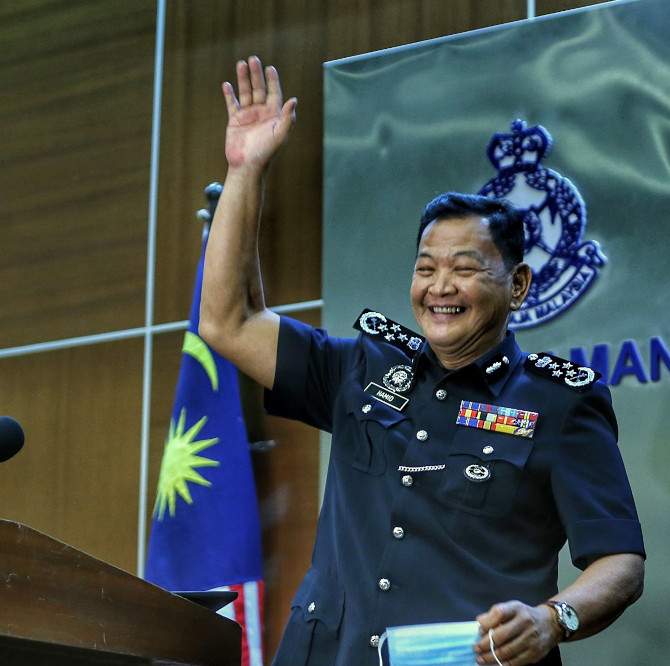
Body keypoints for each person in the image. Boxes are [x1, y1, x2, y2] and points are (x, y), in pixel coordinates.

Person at [200, 56, 646, 666]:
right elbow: (228, 323)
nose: (440, 287)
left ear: (516, 286)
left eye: (464, 269)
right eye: (426, 268)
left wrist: (551, 618)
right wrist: (245, 169)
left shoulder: (560, 403)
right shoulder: (362, 370)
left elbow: (620, 561)